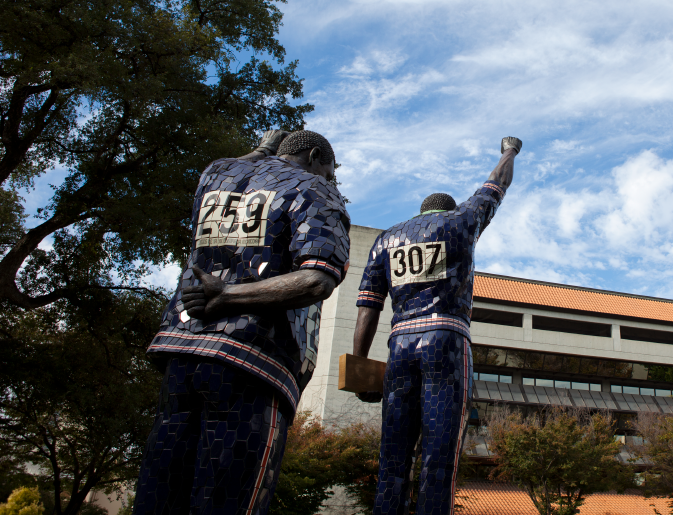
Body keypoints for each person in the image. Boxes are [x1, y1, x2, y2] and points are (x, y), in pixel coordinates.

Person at [133, 130, 351, 515]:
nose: (331, 178)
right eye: (330, 169)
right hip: (251, 357)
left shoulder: (217, 174)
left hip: (181, 350)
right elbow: (317, 278)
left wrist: (265, 147)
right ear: (317, 156)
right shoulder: (314, 188)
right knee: (230, 495)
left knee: (161, 486)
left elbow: (241, 162)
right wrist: (228, 297)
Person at [352, 136, 522, 515]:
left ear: (419, 214)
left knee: (392, 458)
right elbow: (497, 184)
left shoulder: (386, 239)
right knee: (438, 457)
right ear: (446, 210)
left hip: (399, 346)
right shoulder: (461, 221)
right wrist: (509, 150)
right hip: (445, 339)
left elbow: (367, 305)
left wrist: (359, 367)